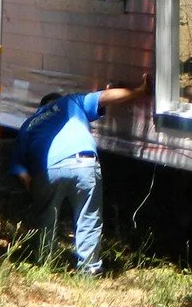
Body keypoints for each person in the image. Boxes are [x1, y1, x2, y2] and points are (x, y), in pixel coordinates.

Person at [12, 78, 148, 274]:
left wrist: (37, 190)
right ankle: (90, 268)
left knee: (47, 218)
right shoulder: (71, 101)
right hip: (84, 162)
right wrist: (139, 90)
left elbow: (21, 170)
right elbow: (106, 97)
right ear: (57, 100)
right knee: (89, 216)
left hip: (47, 169)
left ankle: (44, 263)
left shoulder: (29, 124)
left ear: (40, 108)